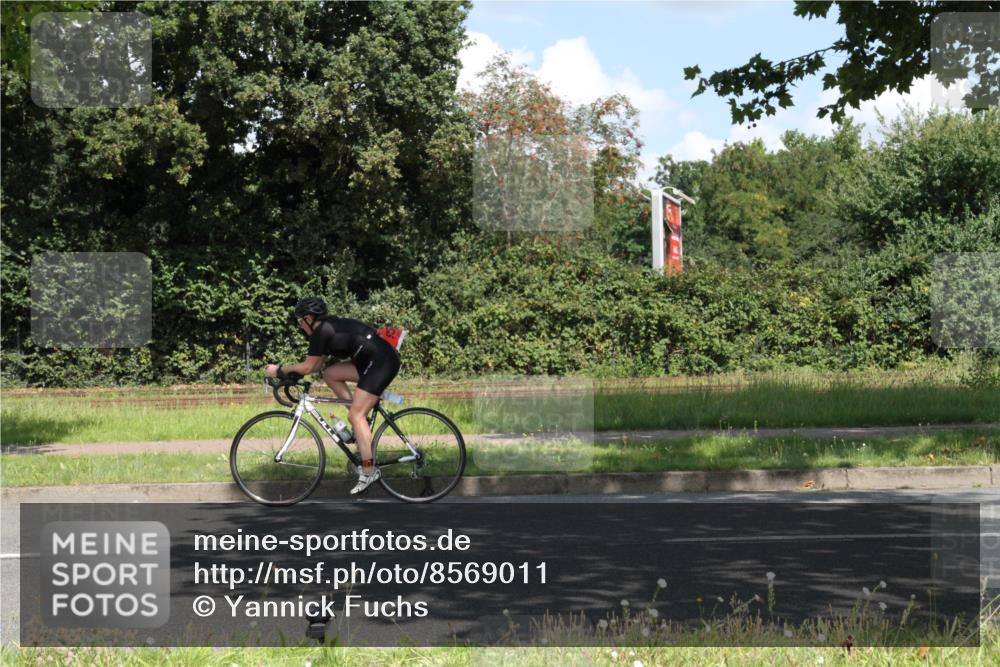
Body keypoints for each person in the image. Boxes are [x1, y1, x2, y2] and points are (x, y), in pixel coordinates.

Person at [265, 296, 401, 495]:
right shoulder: (326, 329)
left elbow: (308, 366)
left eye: (301, 321)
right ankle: (359, 424)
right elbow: (318, 367)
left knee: (356, 415)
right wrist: (291, 373)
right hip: (373, 359)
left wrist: (279, 370)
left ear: (310, 318)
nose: (300, 326)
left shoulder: (322, 330)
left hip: (381, 360)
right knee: (331, 374)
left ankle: (369, 469)